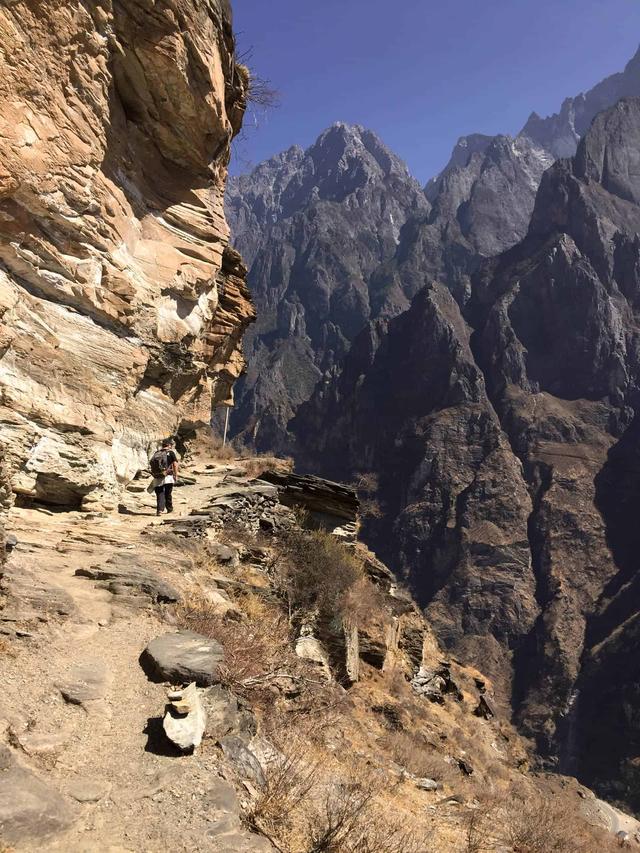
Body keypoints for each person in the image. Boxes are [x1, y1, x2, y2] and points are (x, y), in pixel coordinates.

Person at [149, 437, 178, 516]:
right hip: (168, 476)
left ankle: (159, 510)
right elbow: (175, 465)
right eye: (171, 445)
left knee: (159, 493)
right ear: (168, 445)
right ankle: (169, 509)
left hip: (158, 476)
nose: (171, 446)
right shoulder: (171, 453)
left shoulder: (156, 453)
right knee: (168, 493)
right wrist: (175, 475)